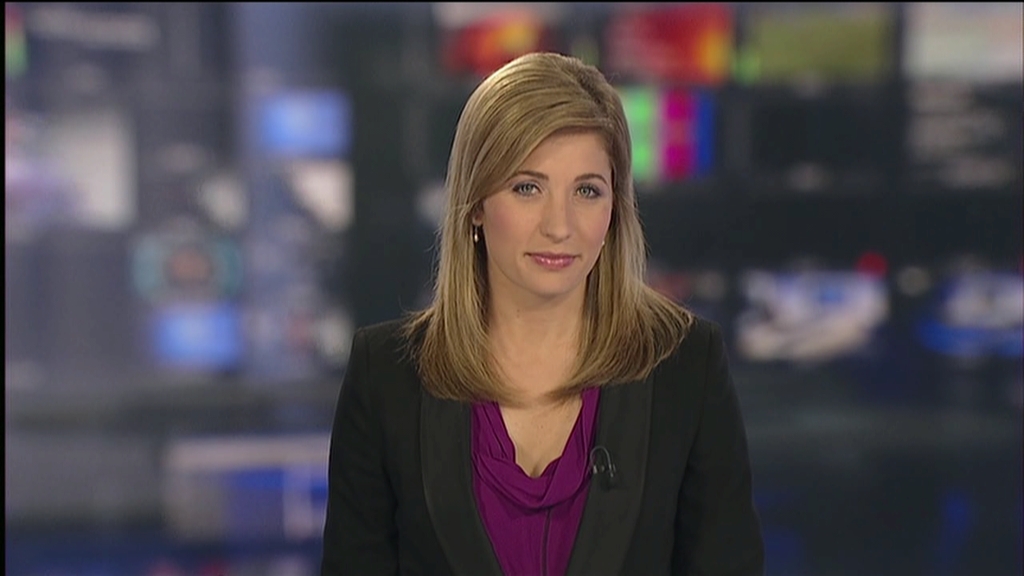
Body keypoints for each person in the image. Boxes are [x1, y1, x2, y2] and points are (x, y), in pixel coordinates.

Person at [321, 51, 765, 576]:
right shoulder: (385, 377)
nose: (560, 226)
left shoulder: (686, 367)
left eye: (587, 191)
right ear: (476, 204)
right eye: (527, 187)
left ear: (615, 210)